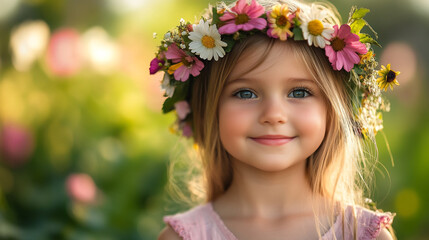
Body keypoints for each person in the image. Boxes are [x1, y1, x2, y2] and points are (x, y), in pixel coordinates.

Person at [150, 0, 400, 239]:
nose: (273, 115)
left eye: (299, 92)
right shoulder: (182, 237)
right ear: (208, 109)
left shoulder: (364, 235)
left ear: (333, 110)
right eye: (245, 93)